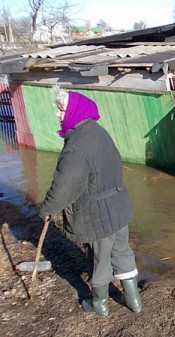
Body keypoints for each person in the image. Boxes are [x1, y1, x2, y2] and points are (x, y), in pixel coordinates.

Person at [39, 87, 141, 317]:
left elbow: (64, 187)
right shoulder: (99, 132)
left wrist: (46, 209)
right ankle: (134, 302)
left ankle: (99, 305)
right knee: (122, 251)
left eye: (61, 109)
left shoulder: (76, 146)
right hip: (118, 208)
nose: (57, 114)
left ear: (75, 111)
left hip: (97, 214)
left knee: (99, 260)